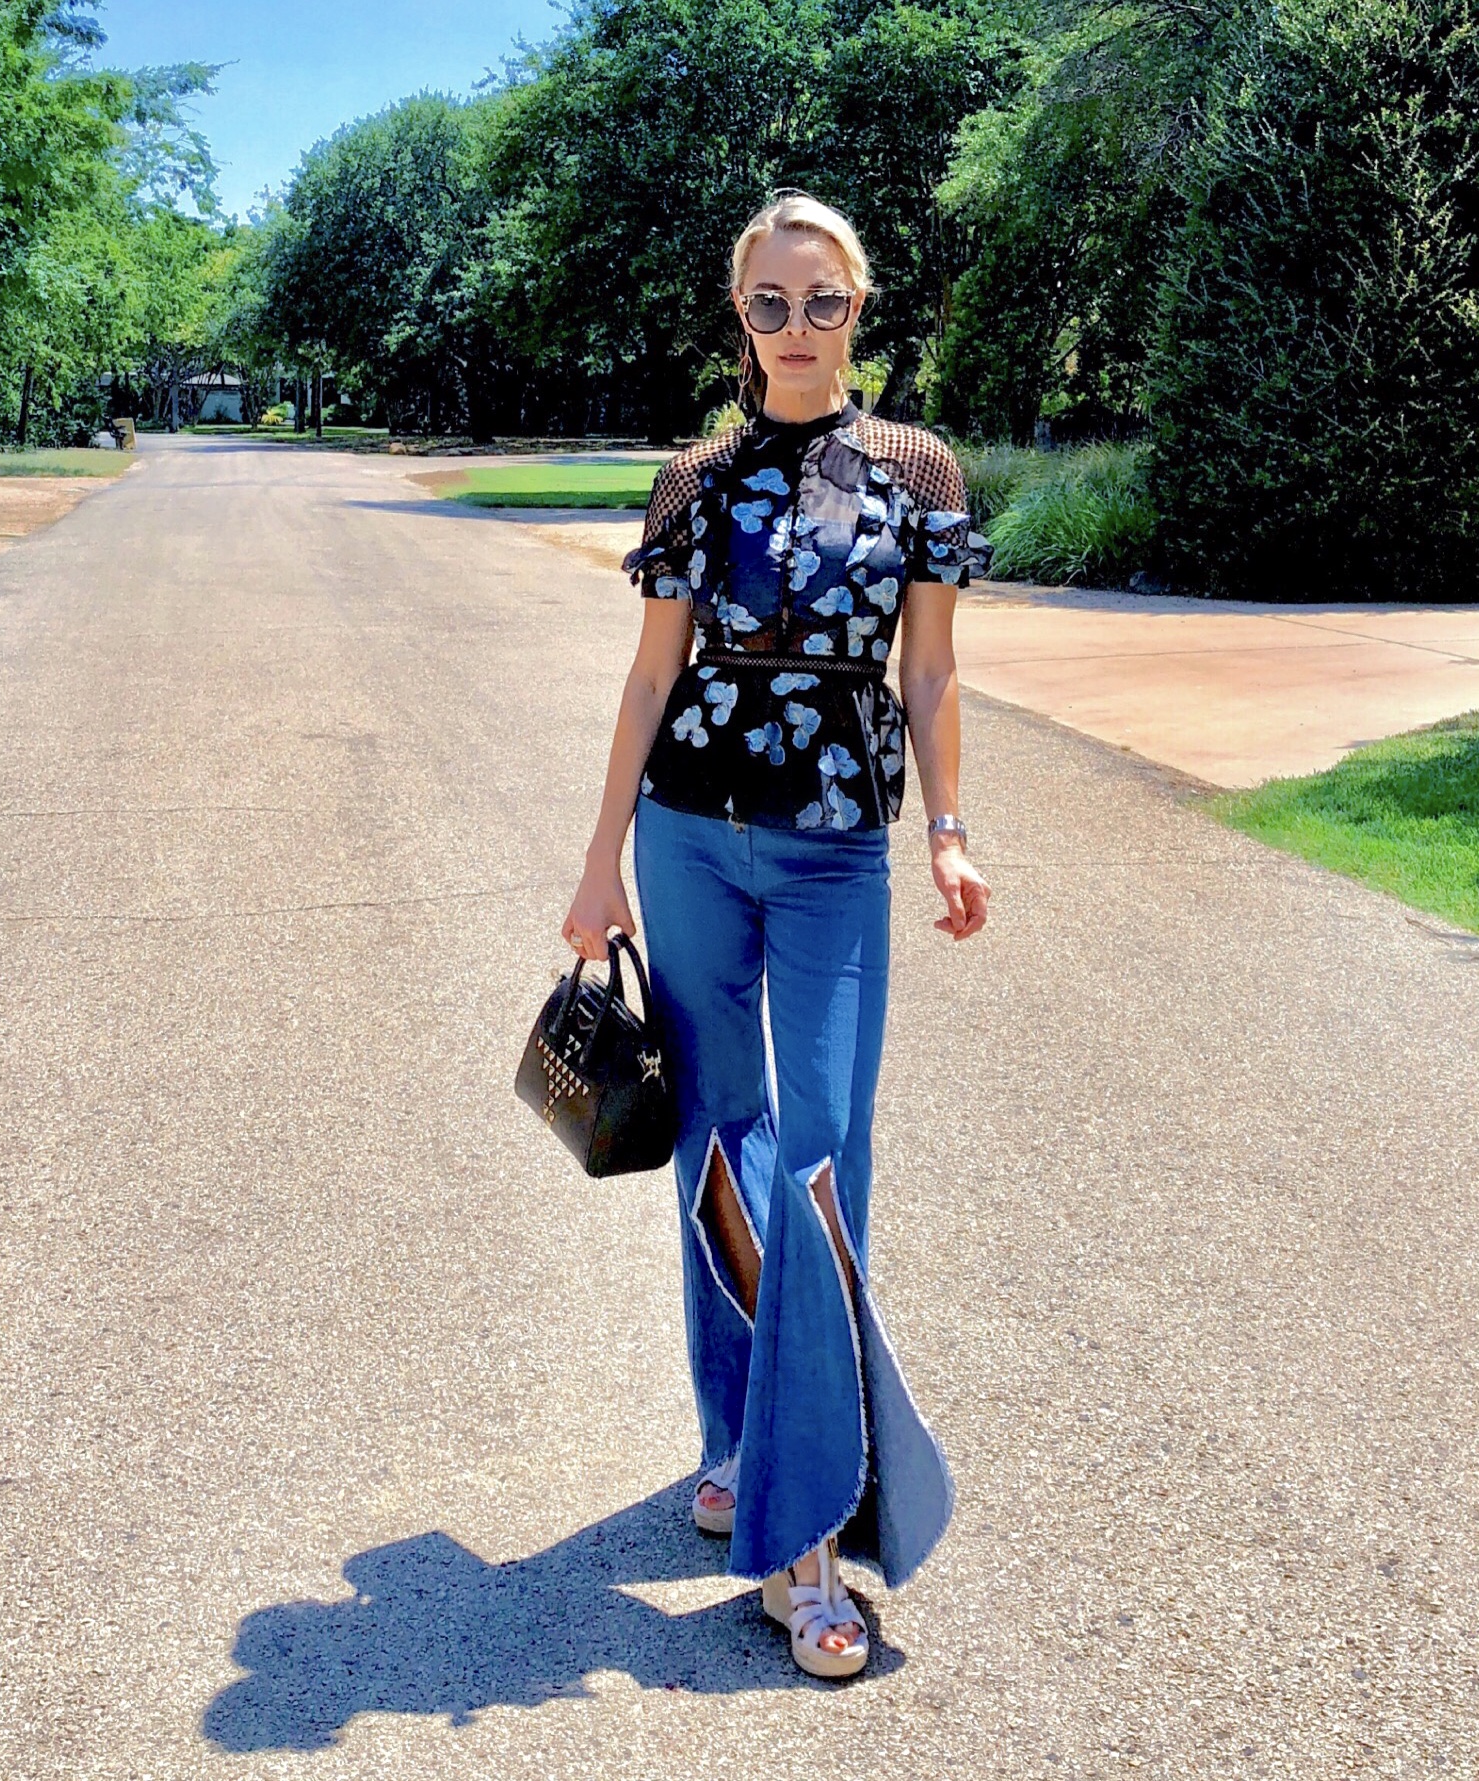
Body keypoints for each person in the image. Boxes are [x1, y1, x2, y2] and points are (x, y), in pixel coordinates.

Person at [562, 192, 991, 1680]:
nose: (795, 328)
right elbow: (644, 678)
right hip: (686, 835)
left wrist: (943, 824)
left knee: (818, 1157)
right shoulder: (692, 478)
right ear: (736, 317)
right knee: (719, 1140)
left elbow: (926, 670)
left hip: (827, 853)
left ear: (859, 307)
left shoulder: (915, 469)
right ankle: (744, 1445)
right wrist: (597, 860)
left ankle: (807, 1532)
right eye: (768, 305)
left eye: (822, 301)